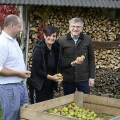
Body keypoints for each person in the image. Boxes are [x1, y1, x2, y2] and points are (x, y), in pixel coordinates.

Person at [27, 26, 83, 104]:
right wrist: (52, 77)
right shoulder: (39, 49)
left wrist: (74, 63)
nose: (51, 38)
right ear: (44, 35)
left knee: (47, 108)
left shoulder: (56, 48)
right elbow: (37, 70)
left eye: (54, 36)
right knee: (37, 109)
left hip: (49, 85)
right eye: (49, 35)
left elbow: (61, 64)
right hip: (38, 85)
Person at [0, 15, 30, 120]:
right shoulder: (2, 43)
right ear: (12, 25)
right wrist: (18, 74)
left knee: (25, 116)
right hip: (9, 88)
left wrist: (22, 73)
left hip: (20, 86)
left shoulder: (13, 41)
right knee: (11, 118)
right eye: (20, 27)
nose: (21, 29)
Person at [58, 17, 95, 95]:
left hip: (83, 78)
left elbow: (91, 59)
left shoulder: (87, 40)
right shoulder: (62, 40)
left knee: (85, 100)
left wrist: (91, 77)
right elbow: (59, 60)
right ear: (69, 27)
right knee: (69, 102)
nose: (75, 29)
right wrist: (59, 76)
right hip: (67, 77)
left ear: (82, 28)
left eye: (78, 27)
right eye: (73, 26)